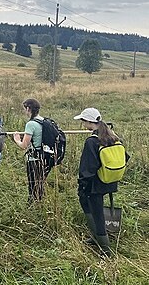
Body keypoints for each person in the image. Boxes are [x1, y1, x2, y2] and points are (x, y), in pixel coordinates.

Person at [74, 108, 121, 256]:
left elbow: (87, 168)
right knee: (89, 205)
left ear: (89, 122)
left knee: (97, 213)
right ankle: (96, 237)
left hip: (95, 183)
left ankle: (106, 250)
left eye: (83, 121)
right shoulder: (112, 137)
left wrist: (82, 185)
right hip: (109, 180)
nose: (82, 123)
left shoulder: (91, 142)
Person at [13, 98, 47, 203]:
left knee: (32, 185)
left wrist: (17, 140)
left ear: (28, 109)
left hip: (33, 159)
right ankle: (41, 203)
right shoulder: (43, 120)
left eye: (25, 109)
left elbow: (24, 145)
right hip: (44, 157)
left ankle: (32, 205)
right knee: (40, 183)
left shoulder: (31, 124)